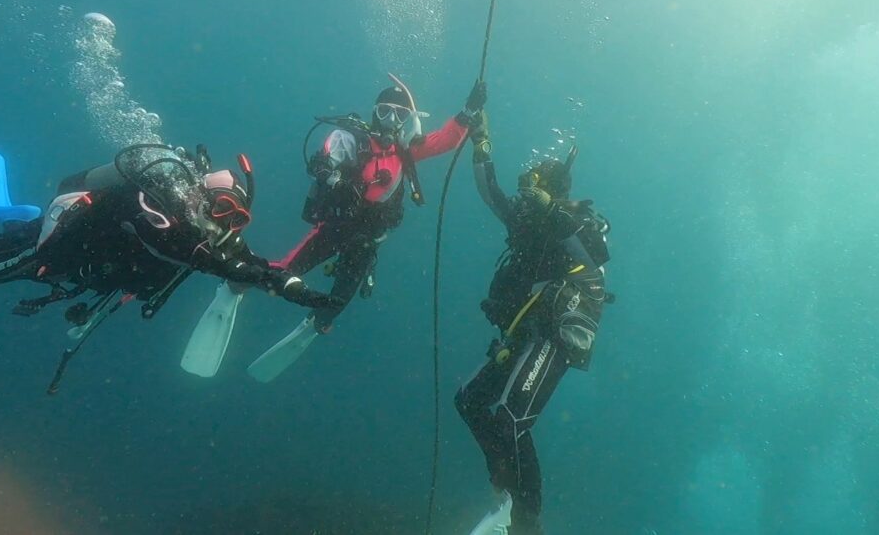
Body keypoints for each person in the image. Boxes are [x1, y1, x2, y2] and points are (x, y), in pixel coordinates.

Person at [0, 143, 339, 388]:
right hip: (52, 251)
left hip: (72, 262)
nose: (224, 223)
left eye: (236, 219)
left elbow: (249, 262)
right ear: (199, 197)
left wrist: (293, 286)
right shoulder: (157, 213)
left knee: (13, 244)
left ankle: (18, 216)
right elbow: (209, 259)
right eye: (221, 209)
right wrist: (267, 281)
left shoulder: (207, 238)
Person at [245, 75, 487, 382]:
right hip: (337, 227)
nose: (391, 120)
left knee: (339, 299)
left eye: (400, 114)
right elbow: (322, 161)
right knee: (286, 269)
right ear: (374, 112)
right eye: (384, 111)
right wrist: (335, 180)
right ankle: (241, 281)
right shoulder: (353, 140)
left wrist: (467, 112)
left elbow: (445, 140)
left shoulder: (406, 150)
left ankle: (319, 322)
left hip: (368, 240)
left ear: (408, 120)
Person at [455, 119, 612, 535]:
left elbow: (595, 259)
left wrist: (554, 211)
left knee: (511, 420)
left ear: (553, 190)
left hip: (556, 336)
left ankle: (527, 520)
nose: (527, 191)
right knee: (469, 400)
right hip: (524, 334)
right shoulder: (525, 220)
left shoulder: (576, 223)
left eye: (536, 185)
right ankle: (505, 487)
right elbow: (491, 193)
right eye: (527, 184)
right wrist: (481, 145)